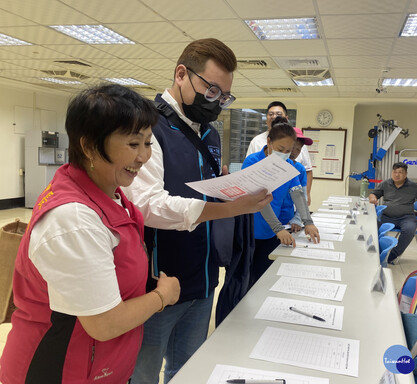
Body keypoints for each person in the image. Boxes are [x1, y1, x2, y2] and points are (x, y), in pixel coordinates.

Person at [0, 84, 182, 384]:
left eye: (148, 143)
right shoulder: (73, 219)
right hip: (60, 370)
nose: (143, 157)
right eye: (133, 144)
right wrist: (162, 296)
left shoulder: (112, 196)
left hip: (98, 366)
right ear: (89, 146)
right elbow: (104, 323)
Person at [123, 38, 272, 383]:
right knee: (143, 374)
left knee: (188, 371)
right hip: (159, 284)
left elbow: (204, 186)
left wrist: (236, 187)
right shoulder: (148, 128)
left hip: (204, 280)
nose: (216, 102)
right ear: (181, 74)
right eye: (212, 91)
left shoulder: (210, 134)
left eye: (224, 96)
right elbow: (147, 205)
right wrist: (229, 209)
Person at [243, 118, 320, 286]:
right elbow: (259, 200)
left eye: (288, 150)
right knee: (246, 279)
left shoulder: (288, 165)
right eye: (280, 149)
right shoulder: (253, 162)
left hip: (270, 232)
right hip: (250, 232)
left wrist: (307, 221)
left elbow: (298, 194)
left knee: (265, 278)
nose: (284, 154)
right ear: (269, 142)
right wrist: (278, 228)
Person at [368, 162, 417, 264]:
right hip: (386, 216)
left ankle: (393, 254)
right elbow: (374, 193)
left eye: (400, 172)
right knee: (371, 226)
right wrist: (373, 198)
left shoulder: (414, 186)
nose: (397, 175)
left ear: (406, 174)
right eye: (395, 172)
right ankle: (373, 252)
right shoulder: (386, 184)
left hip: (406, 217)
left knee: (410, 229)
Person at [246, 101, 314, 204]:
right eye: (271, 114)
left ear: (286, 118)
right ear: (269, 143)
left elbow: (307, 171)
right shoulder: (256, 145)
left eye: (288, 150)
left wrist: (306, 196)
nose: (274, 117)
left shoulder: (293, 164)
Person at [279, 127, 313, 232]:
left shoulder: (300, 169)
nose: (294, 152)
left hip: (288, 221)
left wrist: (297, 219)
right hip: (268, 221)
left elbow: (302, 196)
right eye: (292, 147)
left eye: (298, 149)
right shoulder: (274, 165)